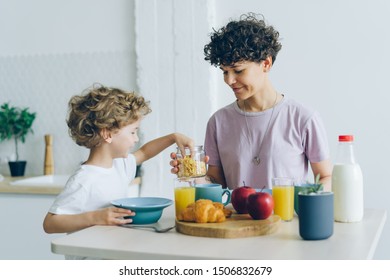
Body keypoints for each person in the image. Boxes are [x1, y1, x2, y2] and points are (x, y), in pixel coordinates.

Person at [171, 13, 332, 190]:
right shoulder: (218, 122)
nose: (229, 80)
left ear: (266, 64)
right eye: (224, 72)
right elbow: (217, 183)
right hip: (236, 218)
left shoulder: (303, 118)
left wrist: (303, 203)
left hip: (286, 218)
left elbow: (325, 177)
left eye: (237, 71)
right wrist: (194, 175)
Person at [43, 84, 194, 235]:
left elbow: (145, 153)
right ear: (107, 134)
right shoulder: (84, 180)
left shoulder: (120, 165)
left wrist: (173, 138)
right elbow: (50, 224)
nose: (136, 139)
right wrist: (95, 217)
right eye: (133, 132)